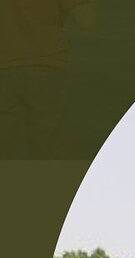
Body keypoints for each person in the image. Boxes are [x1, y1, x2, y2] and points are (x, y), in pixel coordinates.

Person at [0, 0, 97, 159]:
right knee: (46, 146)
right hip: (47, 65)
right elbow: (87, 21)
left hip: (4, 68)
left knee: (5, 147)